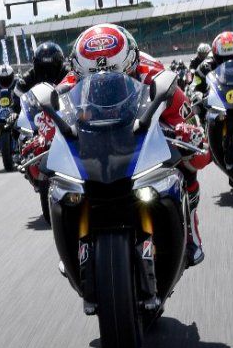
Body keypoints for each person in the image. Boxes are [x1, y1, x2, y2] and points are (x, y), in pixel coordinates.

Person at [58, 23, 211, 265]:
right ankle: (70, 245)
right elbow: (48, 121)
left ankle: (190, 230)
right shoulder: (68, 84)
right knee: (57, 183)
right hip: (93, 146)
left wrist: (188, 133)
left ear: (131, 65)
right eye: (93, 79)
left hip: (141, 135)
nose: (104, 84)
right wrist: (41, 138)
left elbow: (197, 140)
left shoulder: (157, 77)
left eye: (115, 76)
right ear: (78, 71)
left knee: (189, 163)